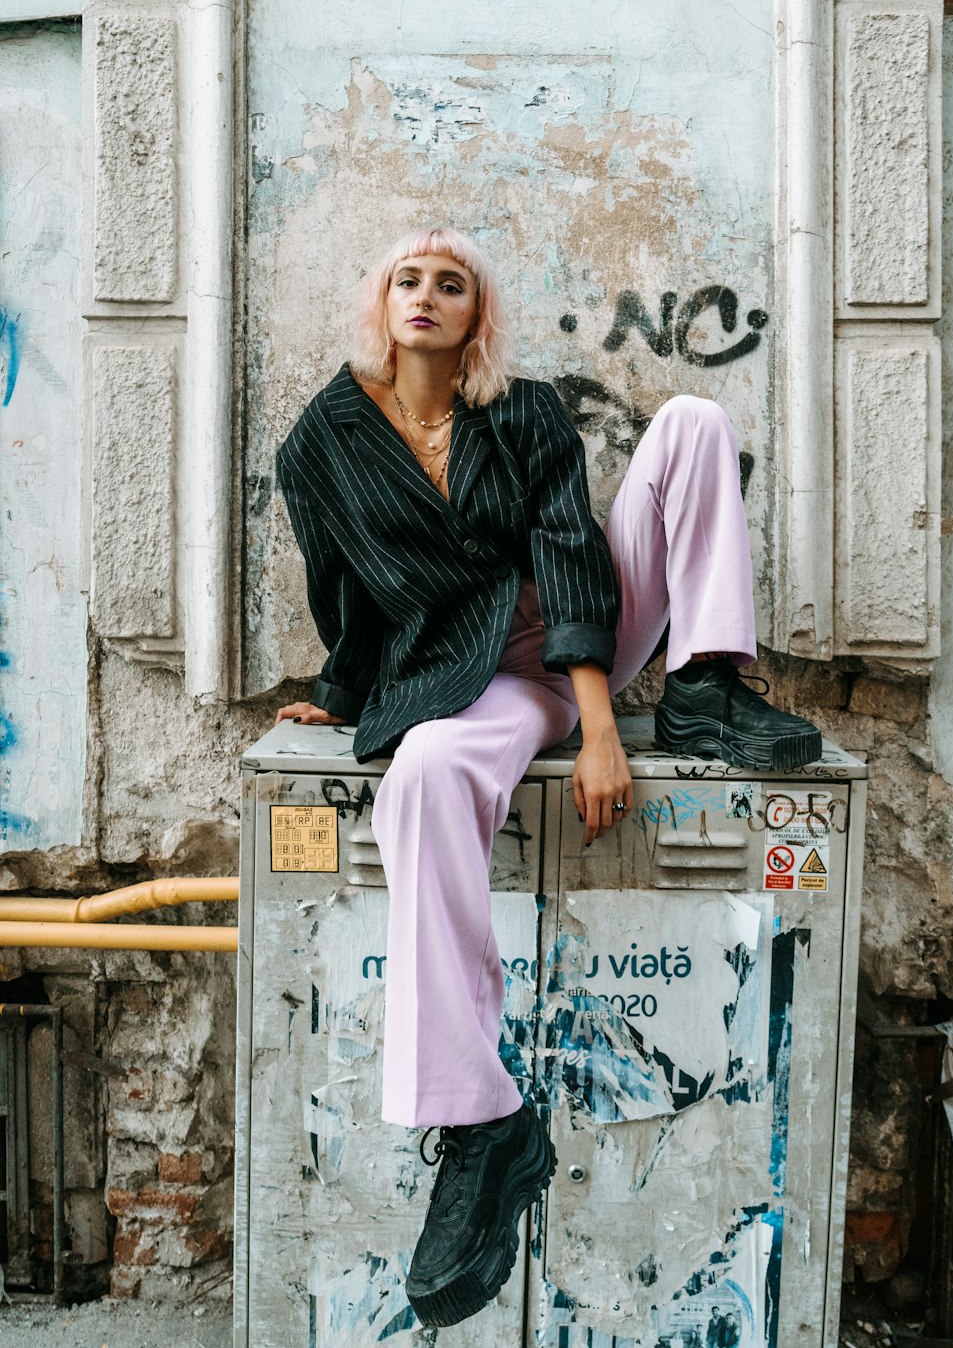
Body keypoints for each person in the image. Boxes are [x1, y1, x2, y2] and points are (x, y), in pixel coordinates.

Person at [274, 227, 820, 1328]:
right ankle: (480, 1121)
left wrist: (605, 720)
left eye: (452, 284)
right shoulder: (319, 443)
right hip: (469, 682)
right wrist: (340, 694)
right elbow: (341, 590)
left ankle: (711, 674)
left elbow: (570, 544)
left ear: (478, 314)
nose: (426, 295)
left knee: (694, 421)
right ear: (379, 303)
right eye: (407, 280)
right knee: (421, 772)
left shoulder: (519, 411)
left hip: (585, 643)